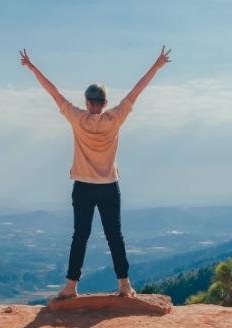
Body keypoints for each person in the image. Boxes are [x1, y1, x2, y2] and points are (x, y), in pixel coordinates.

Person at [20, 46, 172, 298]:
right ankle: (124, 284)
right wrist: (157, 65)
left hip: (82, 185)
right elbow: (137, 91)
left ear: (87, 103)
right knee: (115, 235)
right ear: (105, 103)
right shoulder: (115, 118)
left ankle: (71, 286)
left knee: (80, 235)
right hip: (109, 185)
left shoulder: (77, 118)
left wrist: (32, 67)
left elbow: (53, 92)